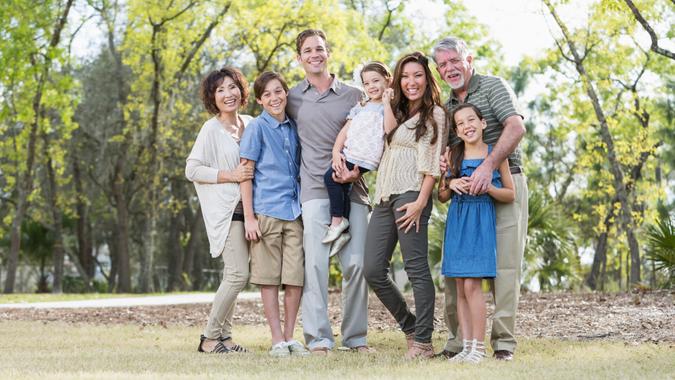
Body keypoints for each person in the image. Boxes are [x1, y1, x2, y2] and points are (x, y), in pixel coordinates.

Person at [432, 37, 529, 361]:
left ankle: (502, 344)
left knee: (505, 267)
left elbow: (515, 127)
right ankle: (461, 342)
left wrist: (488, 167)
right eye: (443, 64)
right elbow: (447, 152)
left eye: (454, 61)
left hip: (505, 178)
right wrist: (446, 168)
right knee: (459, 272)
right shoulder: (447, 108)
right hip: (465, 199)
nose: (450, 68)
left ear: (468, 59)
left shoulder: (492, 87)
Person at [286, 29, 372, 354]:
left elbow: (374, 136)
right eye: (307, 50)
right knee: (316, 267)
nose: (314, 54)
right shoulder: (293, 98)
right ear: (299, 58)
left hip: (353, 189)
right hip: (313, 189)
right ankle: (319, 339)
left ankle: (355, 338)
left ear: (328, 52)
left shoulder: (354, 95)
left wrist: (356, 172)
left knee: (356, 265)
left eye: (319, 48)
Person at [363, 51, 447, 359]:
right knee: (371, 268)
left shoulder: (434, 114)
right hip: (385, 195)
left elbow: (431, 164)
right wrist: (386, 101)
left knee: (416, 269)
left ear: (427, 79)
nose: (412, 82)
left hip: (412, 193)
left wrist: (421, 202)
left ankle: (423, 342)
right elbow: (386, 136)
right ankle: (411, 326)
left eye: (418, 75)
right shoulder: (398, 110)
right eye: (405, 76)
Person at [239, 71, 309, 357]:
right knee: (268, 279)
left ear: (286, 92)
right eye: (267, 94)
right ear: (259, 100)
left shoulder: (294, 127)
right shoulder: (256, 128)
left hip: (294, 211)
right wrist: (249, 217)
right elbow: (246, 174)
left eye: (278, 91)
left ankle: (292, 337)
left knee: (294, 278)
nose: (274, 98)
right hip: (266, 211)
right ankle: (277, 339)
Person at [438, 103, 515, 363]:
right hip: (458, 222)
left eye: (471, 120)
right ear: (457, 131)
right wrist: (451, 182)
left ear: (483, 123)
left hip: (480, 223)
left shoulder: (495, 155)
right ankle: (467, 347)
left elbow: (510, 194)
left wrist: (488, 187)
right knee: (459, 286)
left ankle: (479, 349)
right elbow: (441, 196)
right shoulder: (453, 154)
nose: (467, 126)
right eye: (460, 123)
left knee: (473, 286)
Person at [186, 67, 254, 354]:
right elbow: (192, 169)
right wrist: (230, 175)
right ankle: (209, 337)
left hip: (251, 210)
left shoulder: (251, 123)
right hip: (226, 212)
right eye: (221, 90)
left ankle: (225, 338)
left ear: (241, 90)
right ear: (212, 97)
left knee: (236, 275)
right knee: (238, 274)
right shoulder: (210, 129)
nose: (228, 94)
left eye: (232, 87)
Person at [322, 62, 392, 255]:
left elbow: (390, 130)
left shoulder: (389, 107)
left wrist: (387, 104)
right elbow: (345, 131)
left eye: (376, 81)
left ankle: (337, 221)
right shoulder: (361, 105)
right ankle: (343, 230)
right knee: (342, 184)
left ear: (388, 80)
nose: (372, 86)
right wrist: (336, 151)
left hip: (366, 155)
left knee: (331, 178)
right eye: (367, 83)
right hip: (350, 152)